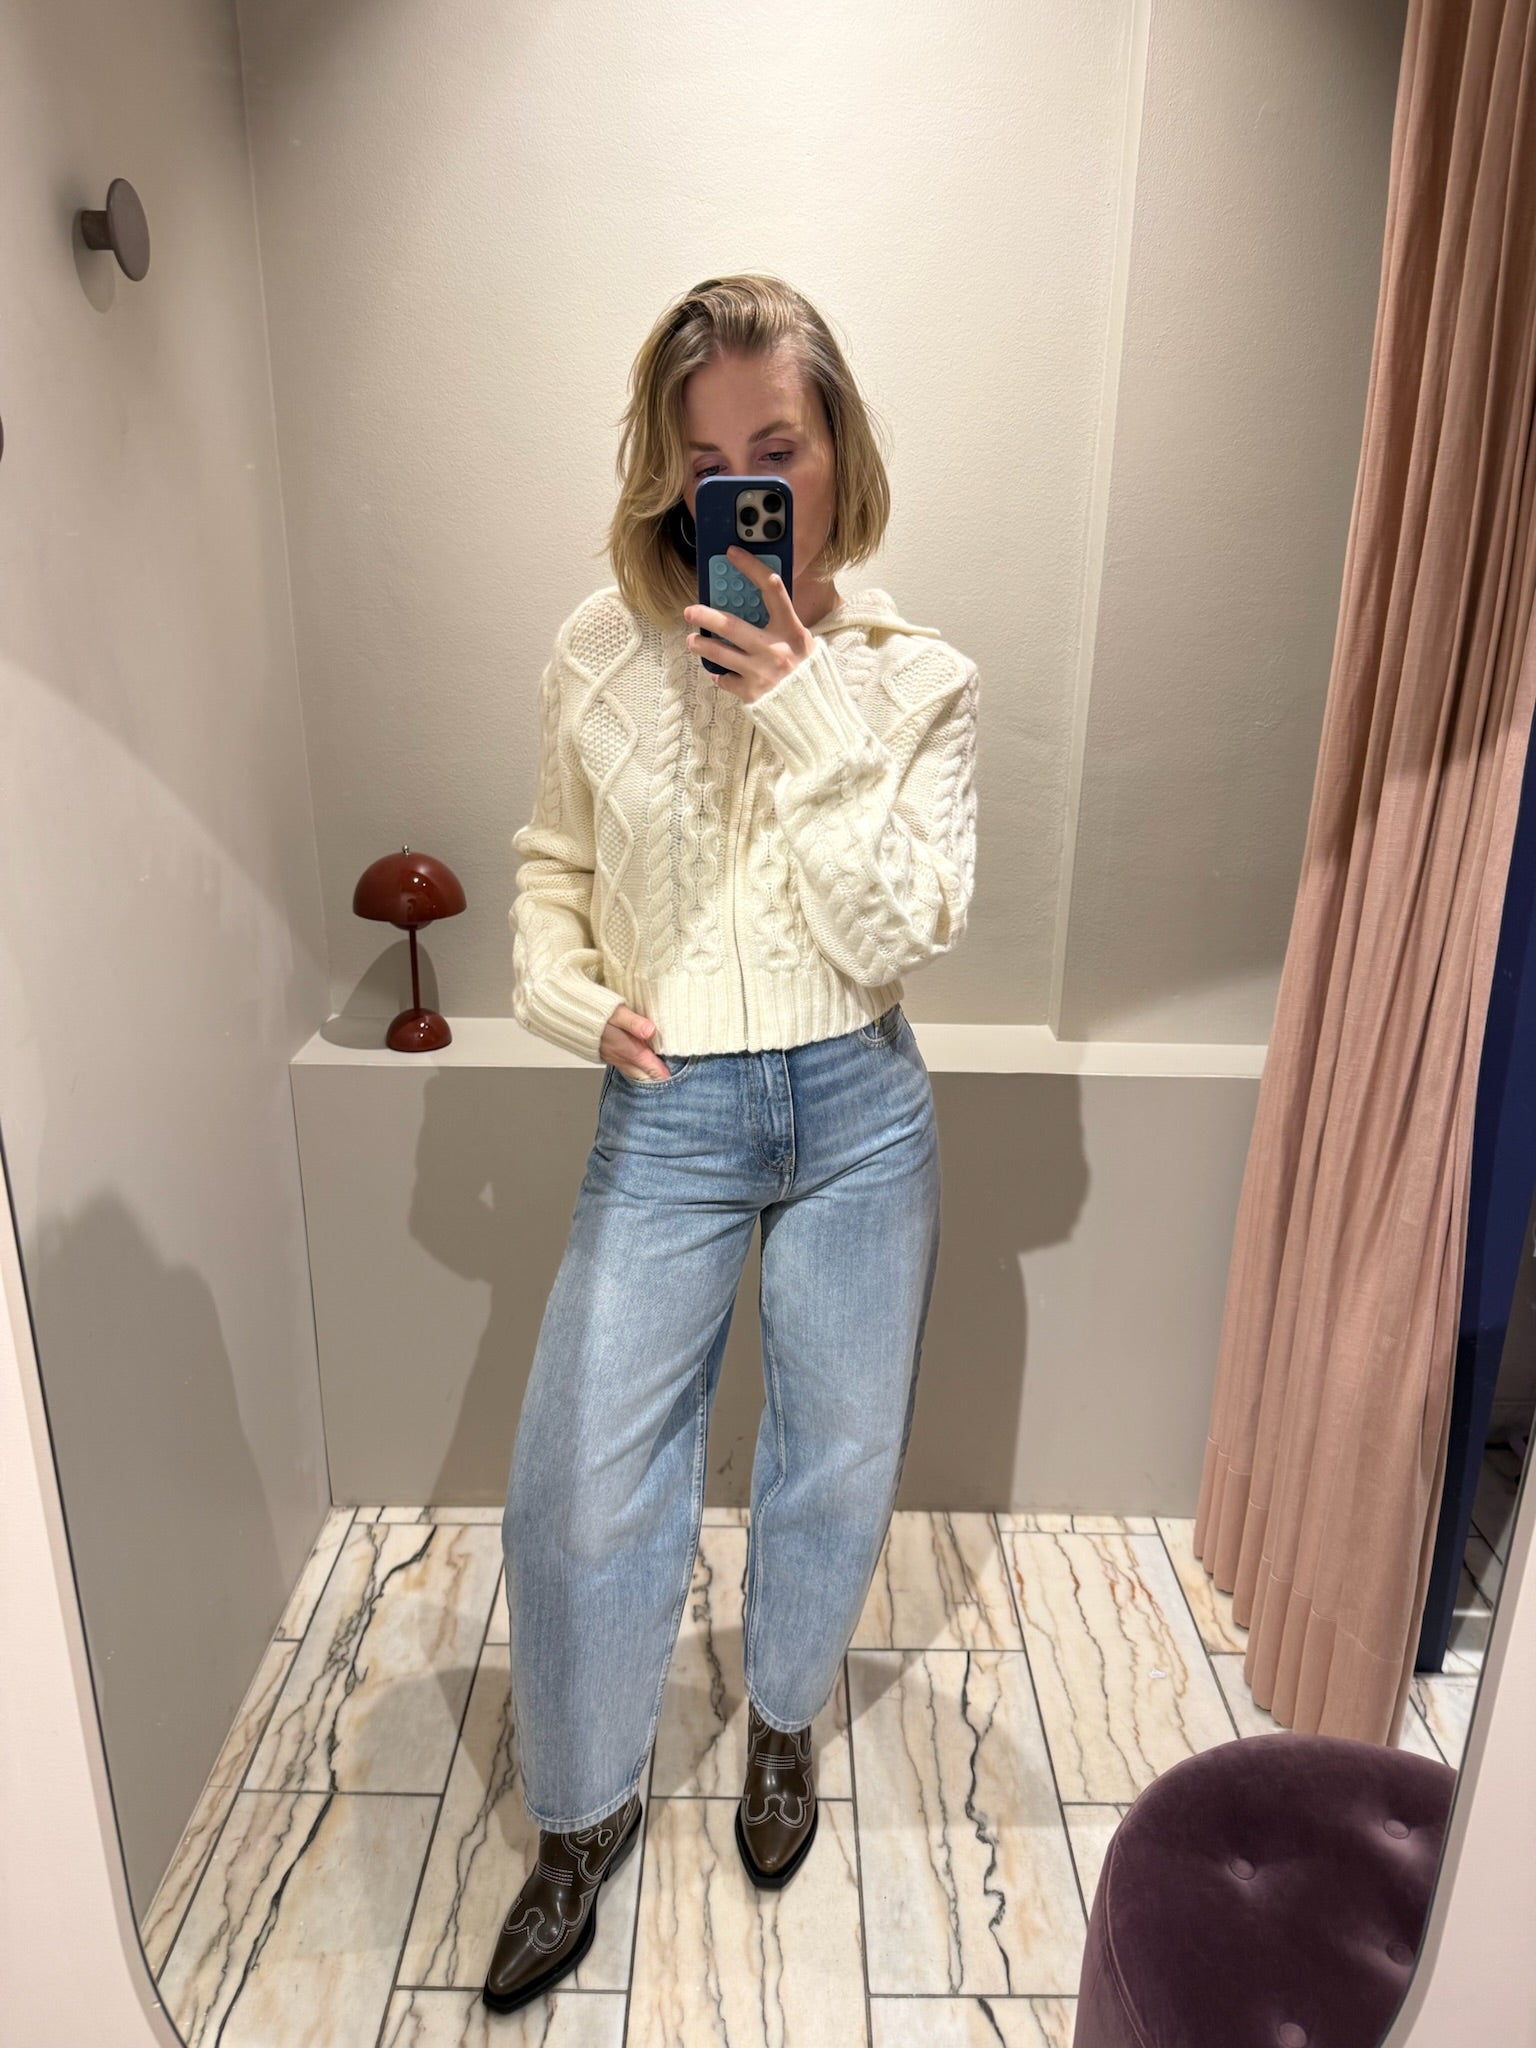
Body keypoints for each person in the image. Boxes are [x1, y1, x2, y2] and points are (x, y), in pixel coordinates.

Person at [483, 272, 980, 2016]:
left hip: (858, 1106)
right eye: (708, 463)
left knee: (835, 1457)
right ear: (666, 474)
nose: (746, 485)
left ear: (838, 453)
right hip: (672, 1106)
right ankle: (581, 1812)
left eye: (778, 447)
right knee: (576, 1483)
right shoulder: (595, 655)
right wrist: (564, 996)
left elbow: (901, 929)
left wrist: (802, 702)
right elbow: (550, 875)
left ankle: (780, 1724)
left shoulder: (917, 683)